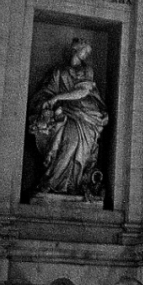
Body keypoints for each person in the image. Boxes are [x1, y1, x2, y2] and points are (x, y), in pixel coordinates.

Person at [28, 38, 109, 197]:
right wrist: (46, 102)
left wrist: (58, 97)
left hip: (85, 114)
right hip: (66, 112)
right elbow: (46, 92)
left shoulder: (87, 70)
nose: (86, 55)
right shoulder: (59, 71)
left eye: (88, 53)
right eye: (84, 51)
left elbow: (82, 92)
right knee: (68, 140)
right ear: (75, 49)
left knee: (74, 141)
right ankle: (53, 182)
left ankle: (66, 184)